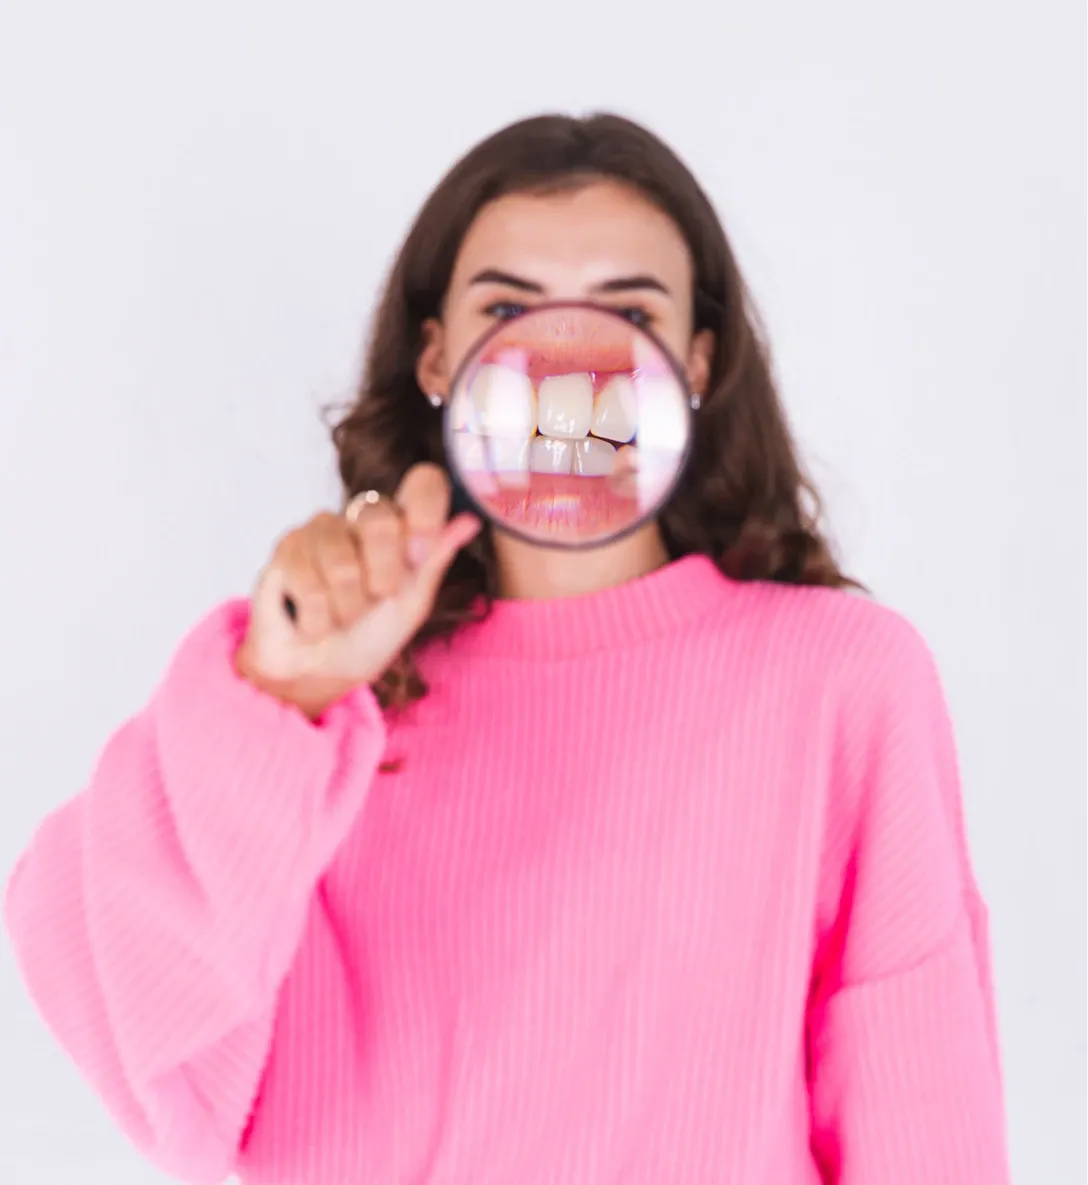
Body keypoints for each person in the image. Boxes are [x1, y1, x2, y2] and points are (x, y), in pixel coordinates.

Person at [4, 113, 1009, 1184]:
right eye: (507, 309)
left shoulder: (840, 681)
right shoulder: (327, 697)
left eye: (628, 309)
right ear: (434, 352)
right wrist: (280, 695)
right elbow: (128, 1015)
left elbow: (922, 1117)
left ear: (697, 362)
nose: (565, 358)